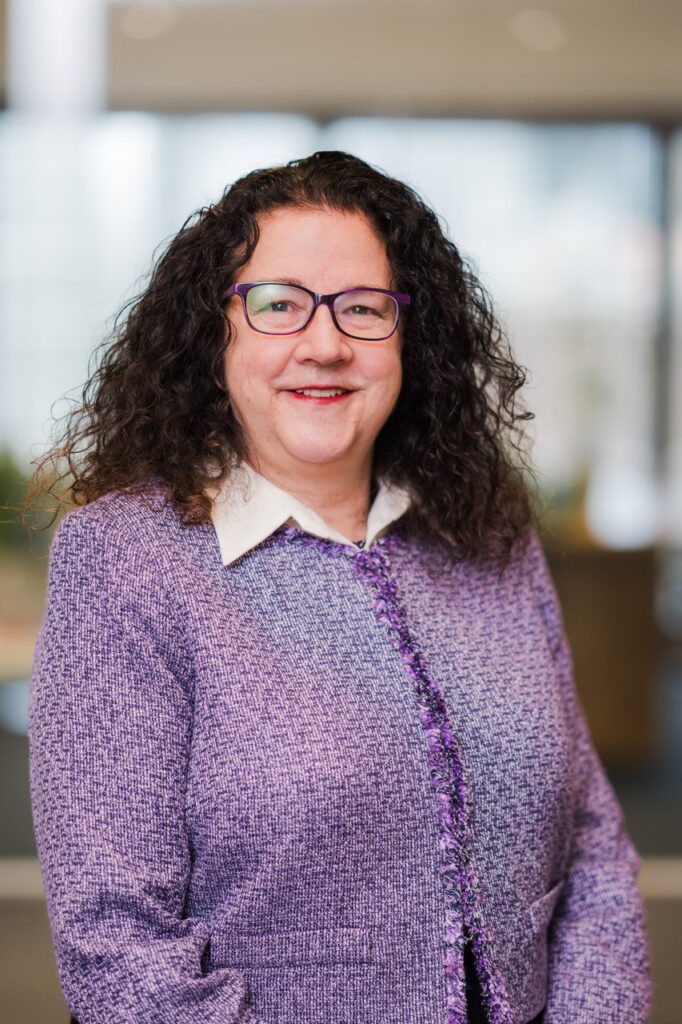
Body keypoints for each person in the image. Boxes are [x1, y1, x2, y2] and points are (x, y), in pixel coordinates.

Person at [27, 150, 651, 1024]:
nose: (325, 345)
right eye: (278, 304)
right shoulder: (126, 558)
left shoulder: (489, 533)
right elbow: (117, 941)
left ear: (409, 338)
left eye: (362, 308)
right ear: (216, 333)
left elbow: (591, 850)